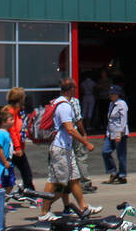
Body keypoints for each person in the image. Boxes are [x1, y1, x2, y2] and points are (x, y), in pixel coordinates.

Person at [39, 78, 101, 221]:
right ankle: (44, 211)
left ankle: (84, 207)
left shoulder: (60, 102)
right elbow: (70, 129)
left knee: (74, 178)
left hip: (66, 148)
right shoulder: (64, 106)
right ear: (71, 89)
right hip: (60, 148)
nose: (76, 90)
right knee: (55, 181)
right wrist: (86, 142)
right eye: (75, 88)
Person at [5, 87, 35, 193]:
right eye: (23, 96)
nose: (25, 98)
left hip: (17, 147)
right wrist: (18, 148)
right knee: (25, 172)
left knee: (23, 171)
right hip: (12, 148)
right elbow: (12, 131)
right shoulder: (11, 112)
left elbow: (21, 129)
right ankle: (31, 193)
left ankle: (28, 191)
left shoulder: (18, 112)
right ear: (19, 99)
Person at [101, 84, 129, 184]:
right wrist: (107, 133)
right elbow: (110, 120)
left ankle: (122, 175)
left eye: (113, 94)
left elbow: (123, 120)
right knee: (105, 152)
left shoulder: (122, 104)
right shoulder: (111, 104)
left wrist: (120, 133)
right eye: (110, 94)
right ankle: (113, 171)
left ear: (118, 94)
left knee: (121, 155)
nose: (111, 95)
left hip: (119, 133)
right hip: (110, 133)